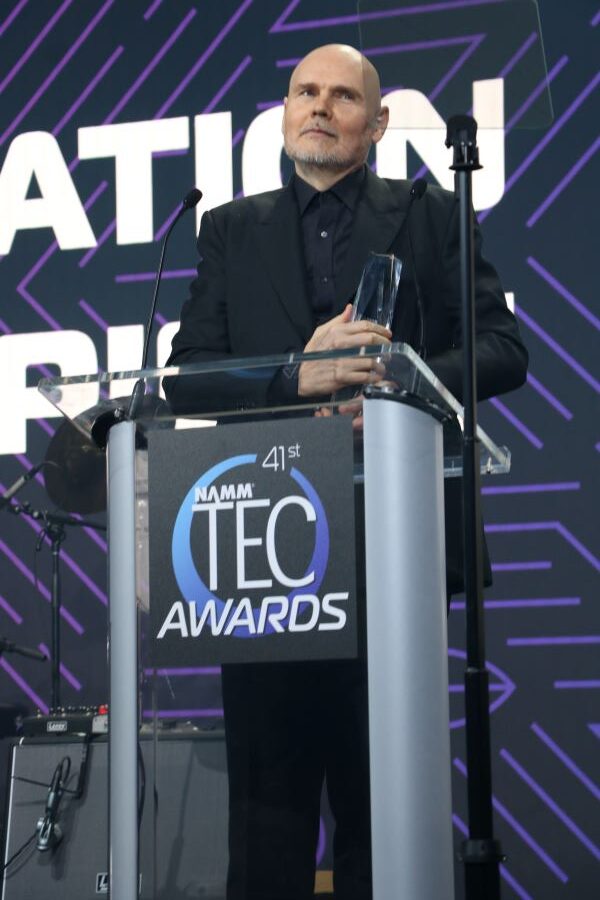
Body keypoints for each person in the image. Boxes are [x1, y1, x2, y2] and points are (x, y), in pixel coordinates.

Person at [165, 44, 527, 900]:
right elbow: (188, 377)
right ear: (285, 113)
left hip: (390, 545)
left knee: (382, 817)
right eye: (305, 92)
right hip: (263, 557)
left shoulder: (431, 215)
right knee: (267, 821)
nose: (320, 107)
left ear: (378, 121)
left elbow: (503, 351)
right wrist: (298, 373)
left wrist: (400, 386)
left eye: (342, 96)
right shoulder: (230, 229)